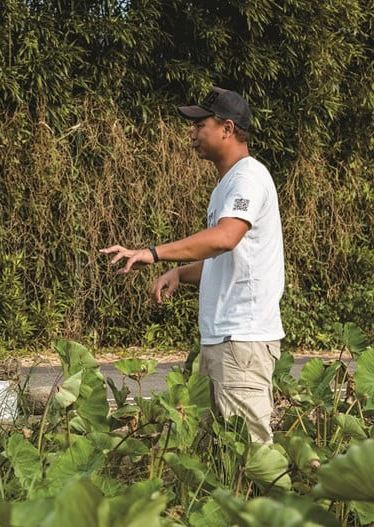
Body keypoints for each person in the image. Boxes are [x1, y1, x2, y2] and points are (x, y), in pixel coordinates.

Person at [101, 87, 284, 444]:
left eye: (200, 124)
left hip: (242, 338)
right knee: (218, 452)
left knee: (250, 453)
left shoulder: (249, 177)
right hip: (222, 339)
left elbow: (225, 238)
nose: (193, 133)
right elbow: (226, 255)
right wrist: (181, 273)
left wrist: (152, 253)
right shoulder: (225, 186)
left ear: (227, 129)